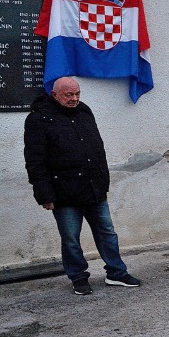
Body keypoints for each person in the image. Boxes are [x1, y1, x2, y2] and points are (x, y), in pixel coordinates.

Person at [23, 77, 141, 295]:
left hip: (94, 187)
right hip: (63, 192)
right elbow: (35, 161)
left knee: (107, 232)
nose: (74, 99)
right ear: (54, 94)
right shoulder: (38, 119)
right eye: (69, 95)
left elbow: (97, 147)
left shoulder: (84, 112)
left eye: (77, 94)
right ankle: (78, 277)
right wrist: (44, 194)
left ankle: (116, 272)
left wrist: (103, 179)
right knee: (71, 238)